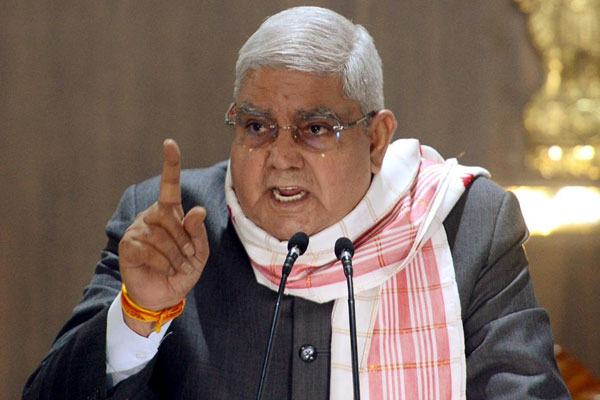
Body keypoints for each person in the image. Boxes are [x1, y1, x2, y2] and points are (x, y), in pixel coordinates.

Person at [23, 6, 570, 400]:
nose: (281, 158)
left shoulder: (462, 224)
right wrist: (139, 315)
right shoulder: (172, 228)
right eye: (256, 126)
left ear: (376, 140)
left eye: (315, 128)